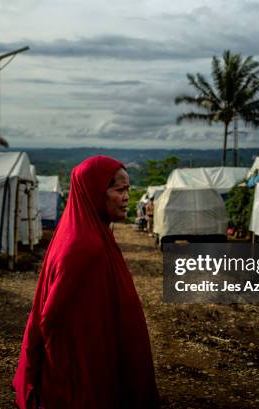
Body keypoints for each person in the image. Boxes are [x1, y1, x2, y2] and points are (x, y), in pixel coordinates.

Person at [12, 156, 159, 409]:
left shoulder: (86, 232)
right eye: (119, 190)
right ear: (93, 193)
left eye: (128, 190)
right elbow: (54, 318)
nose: (126, 197)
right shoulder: (83, 246)